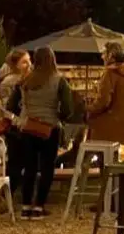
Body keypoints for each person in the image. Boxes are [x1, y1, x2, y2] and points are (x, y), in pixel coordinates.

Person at [6, 46, 73, 219]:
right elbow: (68, 108)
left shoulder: (25, 81)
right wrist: (57, 116)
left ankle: (26, 205)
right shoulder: (59, 80)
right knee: (47, 168)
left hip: (28, 128)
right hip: (50, 129)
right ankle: (39, 206)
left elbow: (11, 105)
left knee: (29, 167)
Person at [0, 49, 32, 193]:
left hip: (21, 124)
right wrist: (17, 121)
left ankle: (10, 193)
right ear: (15, 64)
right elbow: (7, 107)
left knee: (18, 161)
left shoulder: (25, 78)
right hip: (16, 126)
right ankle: (7, 194)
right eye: (24, 62)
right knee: (16, 162)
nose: (29, 64)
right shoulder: (10, 82)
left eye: (29, 60)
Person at [86, 42, 124, 145]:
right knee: (112, 159)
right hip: (121, 129)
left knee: (96, 158)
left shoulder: (110, 73)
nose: (102, 57)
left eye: (104, 53)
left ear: (110, 56)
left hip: (105, 129)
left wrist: (88, 109)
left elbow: (103, 102)